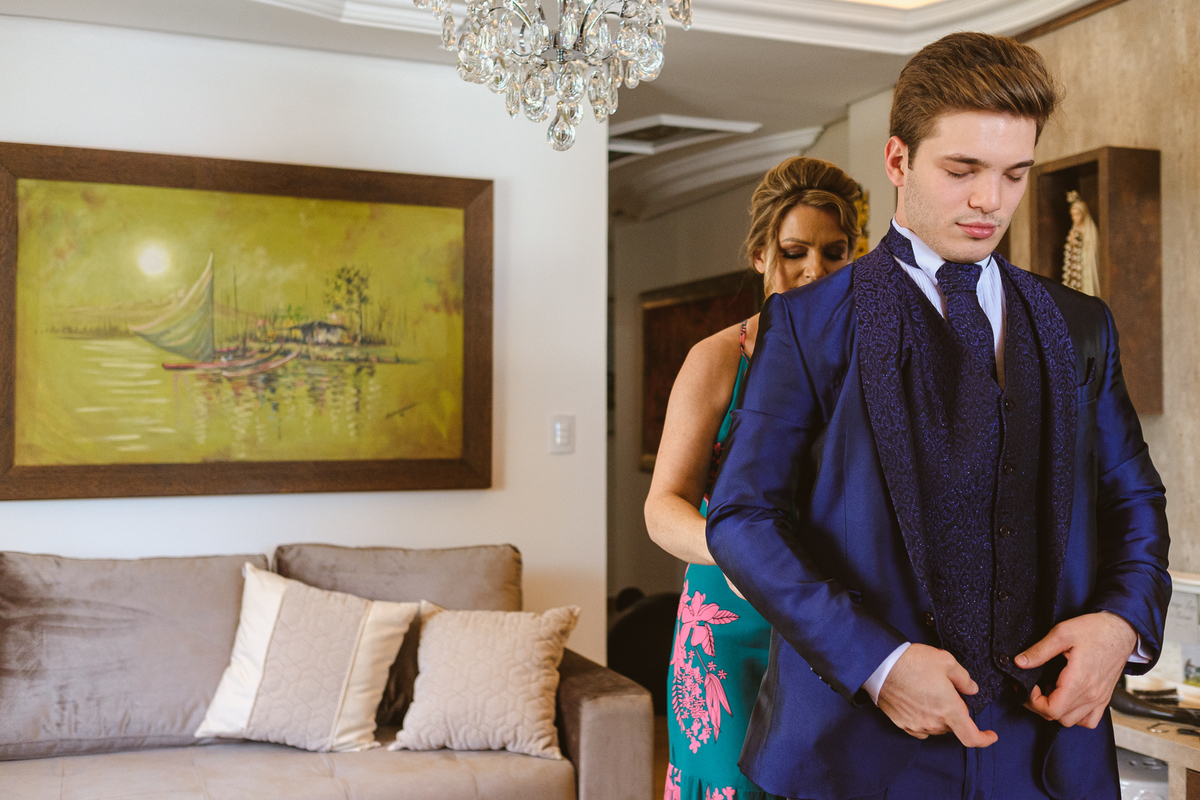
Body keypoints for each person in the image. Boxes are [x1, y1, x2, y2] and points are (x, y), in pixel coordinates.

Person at [706, 32, 1170, 800]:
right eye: (963, 170)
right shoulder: (808, 325)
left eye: (1014, 173)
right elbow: (742, 517)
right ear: (898, 161)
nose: (991, 200)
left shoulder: (1081, 324)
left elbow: (1135, 498)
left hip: (1051, 753)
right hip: (856, 754)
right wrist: (877, 663)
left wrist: (1122, 623)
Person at [645, 157, 862, 800]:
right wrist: (741, 552)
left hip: (840, 624)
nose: (815, 270)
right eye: (794, 252)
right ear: (760, 255)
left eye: (834, 252)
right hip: (728, 628)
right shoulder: (715, 359)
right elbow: (663, 507)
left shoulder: (874, 363)